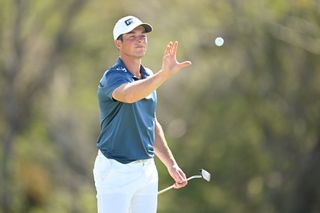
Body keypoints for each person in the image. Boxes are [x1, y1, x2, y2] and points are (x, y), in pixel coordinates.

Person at [93, 15, 192, 213]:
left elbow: (151, 124)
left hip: (146, 170)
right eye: (131, 36)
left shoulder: (147, 75)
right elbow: (129, 95)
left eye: (142, 36)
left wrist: (170, 164)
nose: (139, 40)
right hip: (115, 170)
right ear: (118, 44)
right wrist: (164, 74)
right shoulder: (112, 76)